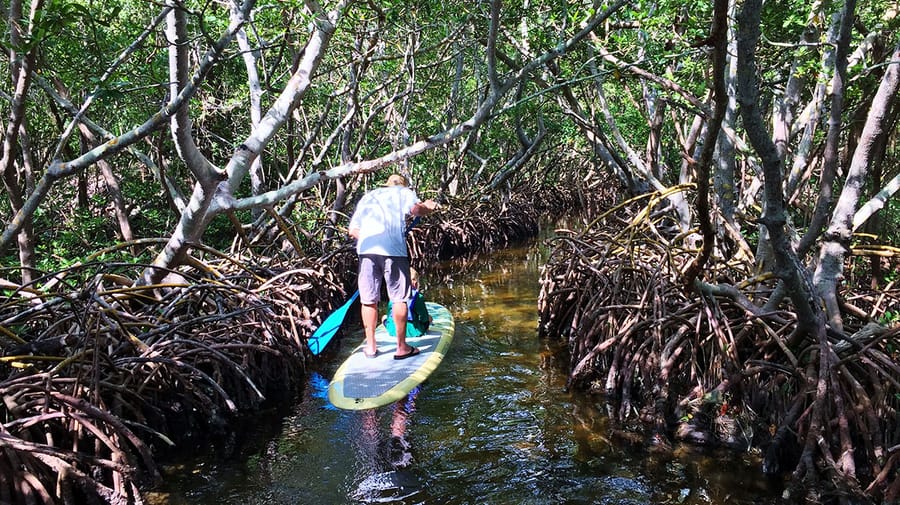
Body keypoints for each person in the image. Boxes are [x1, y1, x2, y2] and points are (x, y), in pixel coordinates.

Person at [348, 173, 438, 360]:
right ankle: (402, 347)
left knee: (368, 299)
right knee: (398, 298)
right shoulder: (404, 193)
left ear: (386, 185)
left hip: (366, 250)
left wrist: (369, 240)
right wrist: (429, 207)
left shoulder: (369, 196)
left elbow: (353, 230)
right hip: (394, 252)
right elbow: (416, 210)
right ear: (403, 186)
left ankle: (371, 347)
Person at [384, 267, 432, 338]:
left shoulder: (393, 294)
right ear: (416, 283)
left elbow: (389, 314)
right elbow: (424, 318)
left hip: (394, 332)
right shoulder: (418, 297)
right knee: (429, 318)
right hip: (413, 332)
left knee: (384, 317)